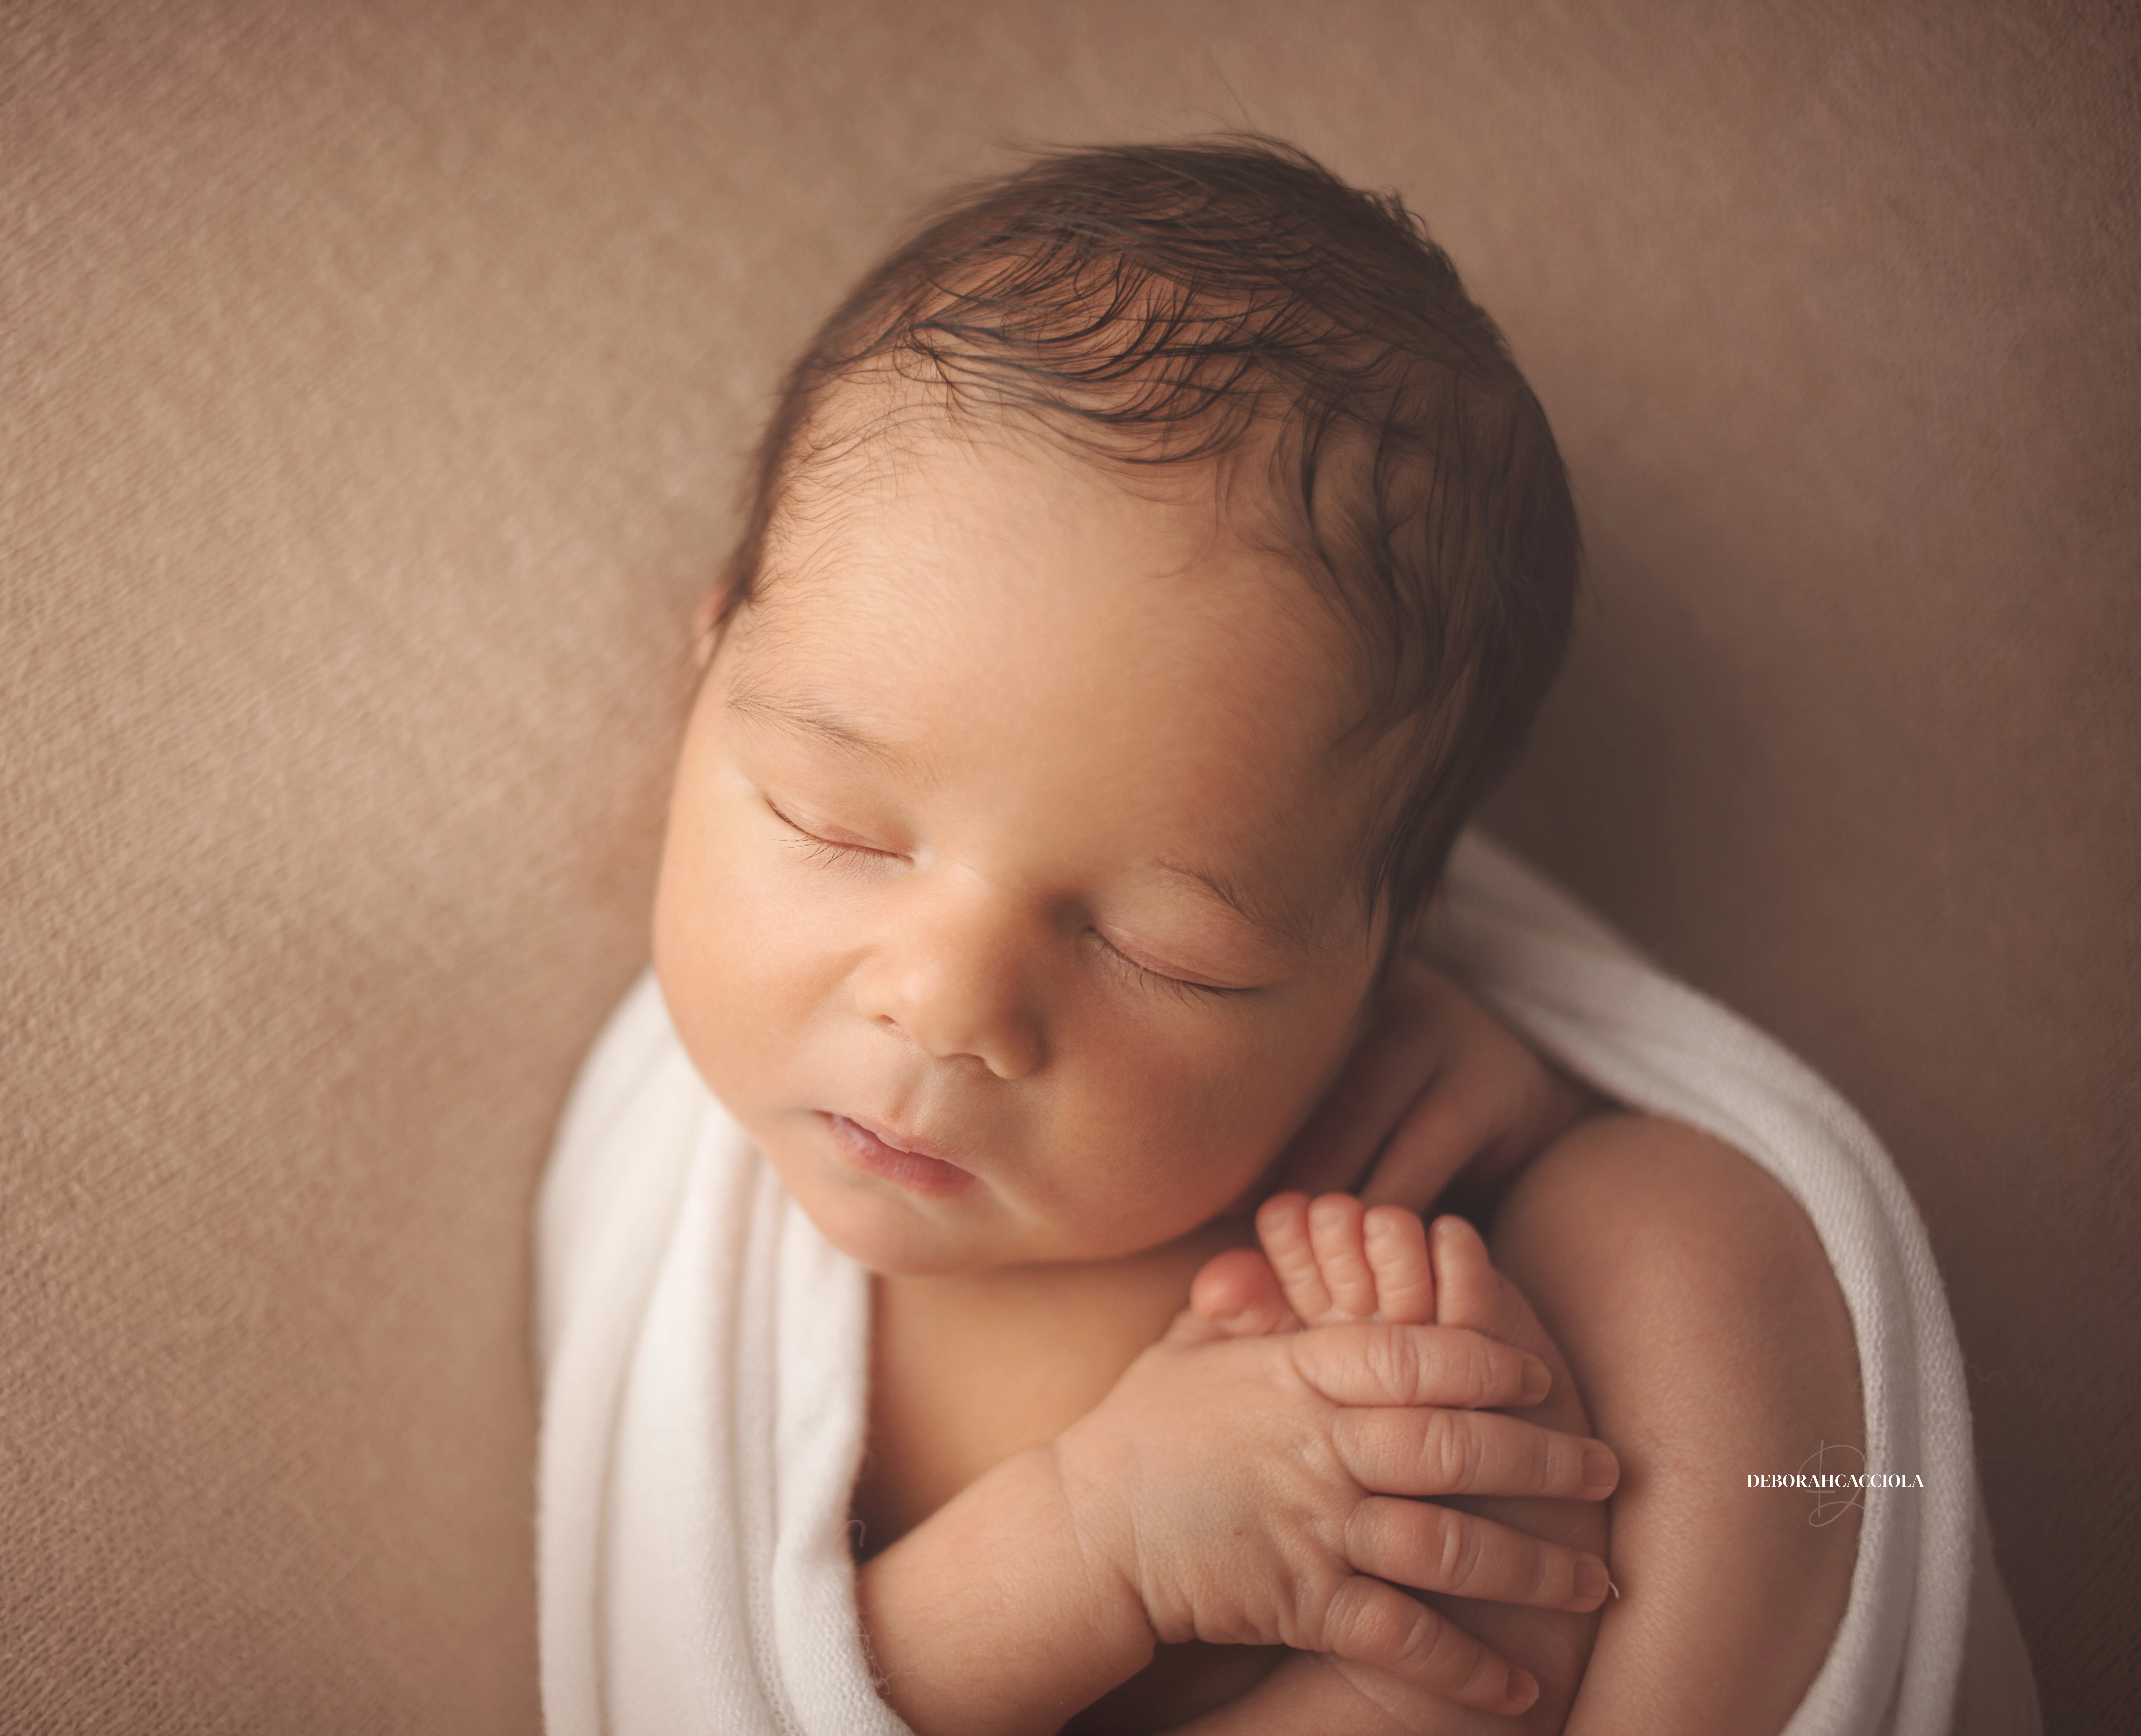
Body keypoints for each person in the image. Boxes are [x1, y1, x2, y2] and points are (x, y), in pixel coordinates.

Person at [631, 136, 1861, 1733]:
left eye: (1165, 953)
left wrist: (1527, 1112)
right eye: (836, 827)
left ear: (1376, 953)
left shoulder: (1438, 1165)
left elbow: (1818, 1475)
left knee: (1704, 1227)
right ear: (714, 653)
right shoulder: (684, 1231)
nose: (944, 1004)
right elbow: (708, 1696)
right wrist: (1093, 1548)